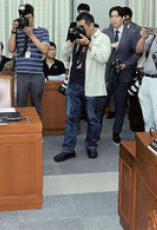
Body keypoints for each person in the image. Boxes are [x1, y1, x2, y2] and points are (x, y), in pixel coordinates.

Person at [54, 12, 111, 162]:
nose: (80, 29)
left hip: (91, 86)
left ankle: (91, 146)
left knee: (93, 119)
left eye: (82, 26)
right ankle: (68, 149)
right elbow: (64, 53)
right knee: (71, 118)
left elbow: (104, 57)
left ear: (91, 25)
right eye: (78, 26)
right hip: (74, 84)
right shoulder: (77, 39)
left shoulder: (103, 38)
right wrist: (71, 40)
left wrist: (88, 44)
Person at [102, 6, 141, 144]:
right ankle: (96, 133)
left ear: (123, 18)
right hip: (107, 74)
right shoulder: (105, 33)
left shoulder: (131, 33)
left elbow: (138, 53)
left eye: (117, 16)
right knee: (101, 105)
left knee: (120, 105)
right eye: (112, 16)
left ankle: (116, 133)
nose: (114, 19)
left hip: (124, 73)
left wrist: (127, 64)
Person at [8, 4, 49, 117]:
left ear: (33, 17)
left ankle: (37, 133)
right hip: (21, 74)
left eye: (29, 18)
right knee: (20, 106)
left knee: (36, 106)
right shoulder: (18, 31)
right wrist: (13, 31)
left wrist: (31, 35)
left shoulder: (42, 31)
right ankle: (20, 132)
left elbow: (45, 50)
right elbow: (11, 49)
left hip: (37, 75)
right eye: (24, 18)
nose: (27, 21)